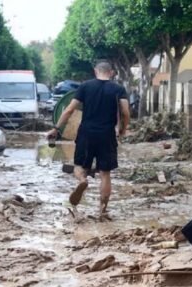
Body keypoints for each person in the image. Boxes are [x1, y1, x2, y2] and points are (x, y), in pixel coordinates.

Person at [47, 60, 130, 219]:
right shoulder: (118, 89)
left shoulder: (85, 87)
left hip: (86, 133)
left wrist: (56, 129)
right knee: (105, 173)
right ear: (111, 72)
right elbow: (125, 112)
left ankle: (82, 181)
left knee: (79, 167)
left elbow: (70, 109)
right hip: (107, 134)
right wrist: (123, 130)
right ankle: (102, 211)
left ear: (95, 71)